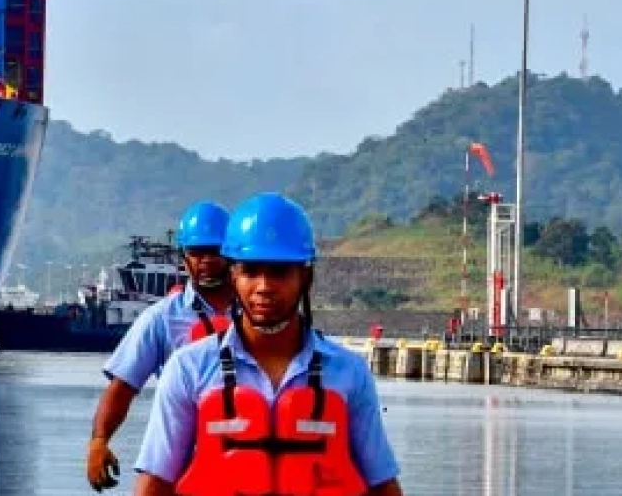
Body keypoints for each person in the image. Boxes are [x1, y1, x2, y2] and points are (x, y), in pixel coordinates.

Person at [133, 192, 403, 496]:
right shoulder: (188, 369)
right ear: (233, 276)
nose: (264, 287)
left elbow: (383, 486)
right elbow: (153, 485)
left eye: (279, 271)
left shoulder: (349, 373)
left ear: (306, 277)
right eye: (250, 270)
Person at [86, 201, 235, 492]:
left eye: (213, 251)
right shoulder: (161, 319)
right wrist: (99, 441)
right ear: (184, 257)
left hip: (245, 458)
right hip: (179, 464)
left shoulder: (256, 314)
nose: (205, 260)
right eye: (196, 252)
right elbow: (121, 388)